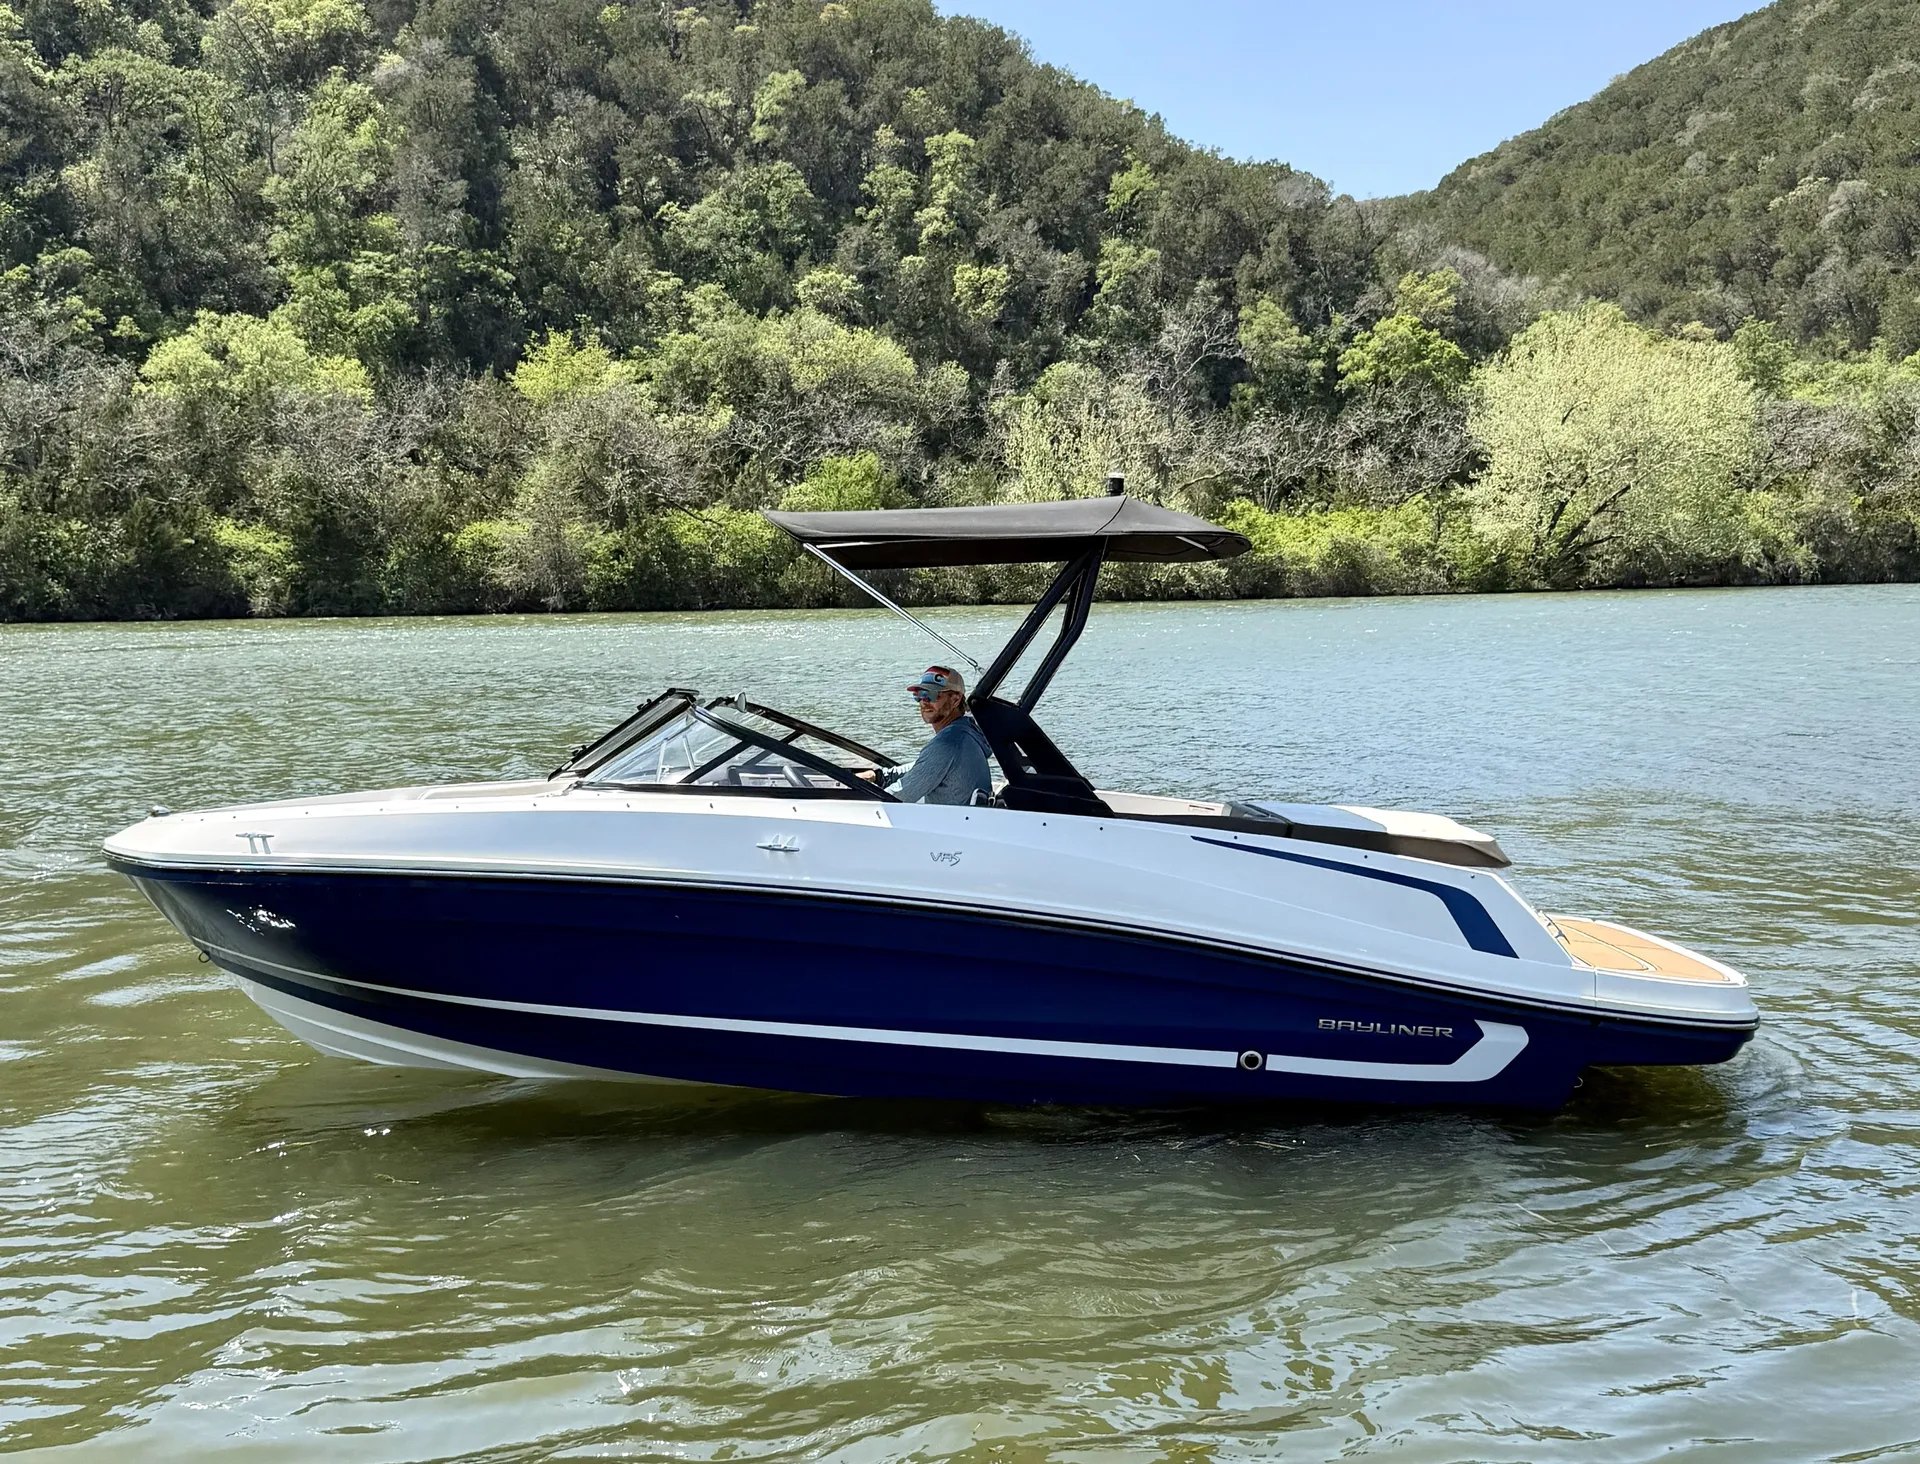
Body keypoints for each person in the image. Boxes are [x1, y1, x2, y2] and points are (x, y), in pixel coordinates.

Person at [896, 665, 994, 806]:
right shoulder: (966, 732)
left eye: (932, 695)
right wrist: (880, 776)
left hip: (953, 825)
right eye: (919, 695)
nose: (924, 701)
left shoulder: (948, 742)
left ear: (955, 700)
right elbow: (923, 766)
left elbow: (899, 796)